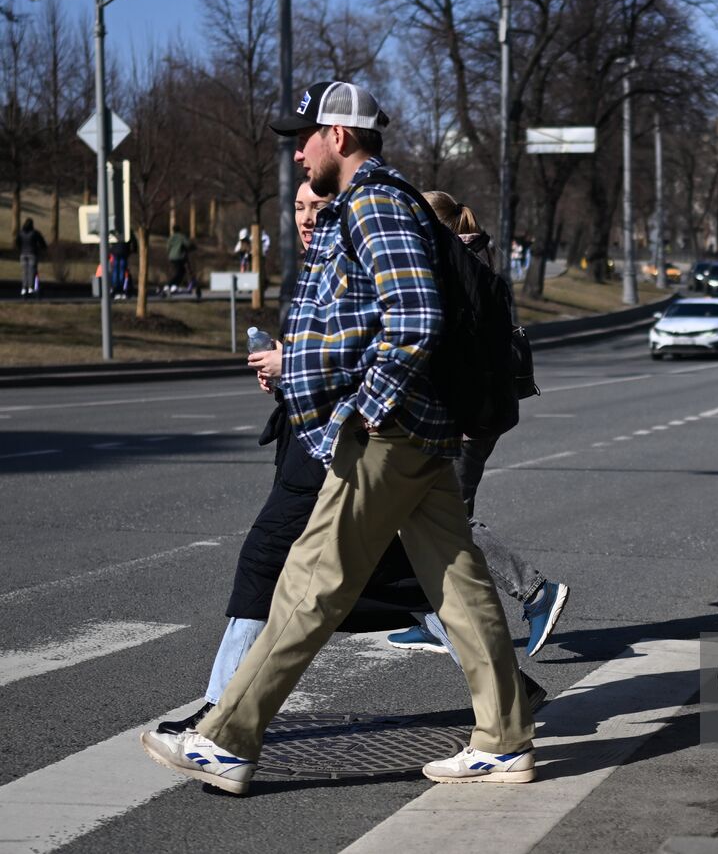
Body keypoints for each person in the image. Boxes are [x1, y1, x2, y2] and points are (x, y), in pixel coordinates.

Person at [141, 81, 536, 794]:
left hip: (391, 430)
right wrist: (300, 368)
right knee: (457, 582)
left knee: (310, 579)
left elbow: (413, 314)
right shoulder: (373, 201)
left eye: (307, 136)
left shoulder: (374, 202)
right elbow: (358, 321)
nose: (298, 152)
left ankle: (227, 737)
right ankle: (504, 738)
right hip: (419, 431)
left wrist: (367, 407)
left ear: (341, 137)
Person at [386, 189, 570, 659]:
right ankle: (434, 617)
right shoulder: (462, 257)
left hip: (467, 416)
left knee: (449, 518)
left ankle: (535, 592)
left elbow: (461, 351)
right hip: (470, 411)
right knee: (428, 515)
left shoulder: (458, 265)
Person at [165, 224, 199, 297]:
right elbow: (188, 244)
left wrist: (169, 254)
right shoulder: (181, 236)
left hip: (171, 257)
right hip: (179, 257)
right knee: (181, 272)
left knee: (178, 272)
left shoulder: (171, 237)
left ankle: (173, 286)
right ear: (180, 230)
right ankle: (170, 285)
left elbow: (167, 247)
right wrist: (194, 247)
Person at [17, 218, 46, 297]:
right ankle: (30, 287)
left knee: (24, 272)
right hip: (32, 254)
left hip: (23, 254)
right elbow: (42, 243)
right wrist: (42, 249)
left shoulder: (20, 233)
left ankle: (23, 288)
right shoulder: (35, 233)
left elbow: (18, 243)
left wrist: (21, 249)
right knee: (32, 271)